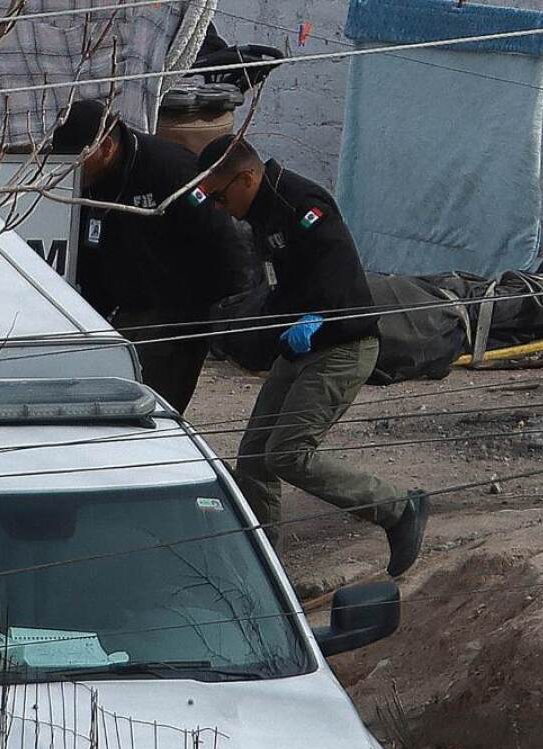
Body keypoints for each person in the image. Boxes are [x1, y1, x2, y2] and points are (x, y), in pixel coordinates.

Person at [195, 134, 427, 577]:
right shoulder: (261, 213)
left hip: (343, 344)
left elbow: (339, 278)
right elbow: (281, 286)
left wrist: (316, 319)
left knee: (289, 453)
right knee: (256, 456)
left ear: (246, 177)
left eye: (221, 197)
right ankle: (263, 569)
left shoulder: (302, 202)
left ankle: (398, 509)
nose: (221, 209)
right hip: (302, 346)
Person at [50, 100, 250, 413]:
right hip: (126, 307)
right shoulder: (83, 183)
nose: (71, 167)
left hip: (179, 310)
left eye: (78, 158)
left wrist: (228, 314)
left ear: (105, 147)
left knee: (151, 408)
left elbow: (222, 239)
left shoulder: (168, 169)